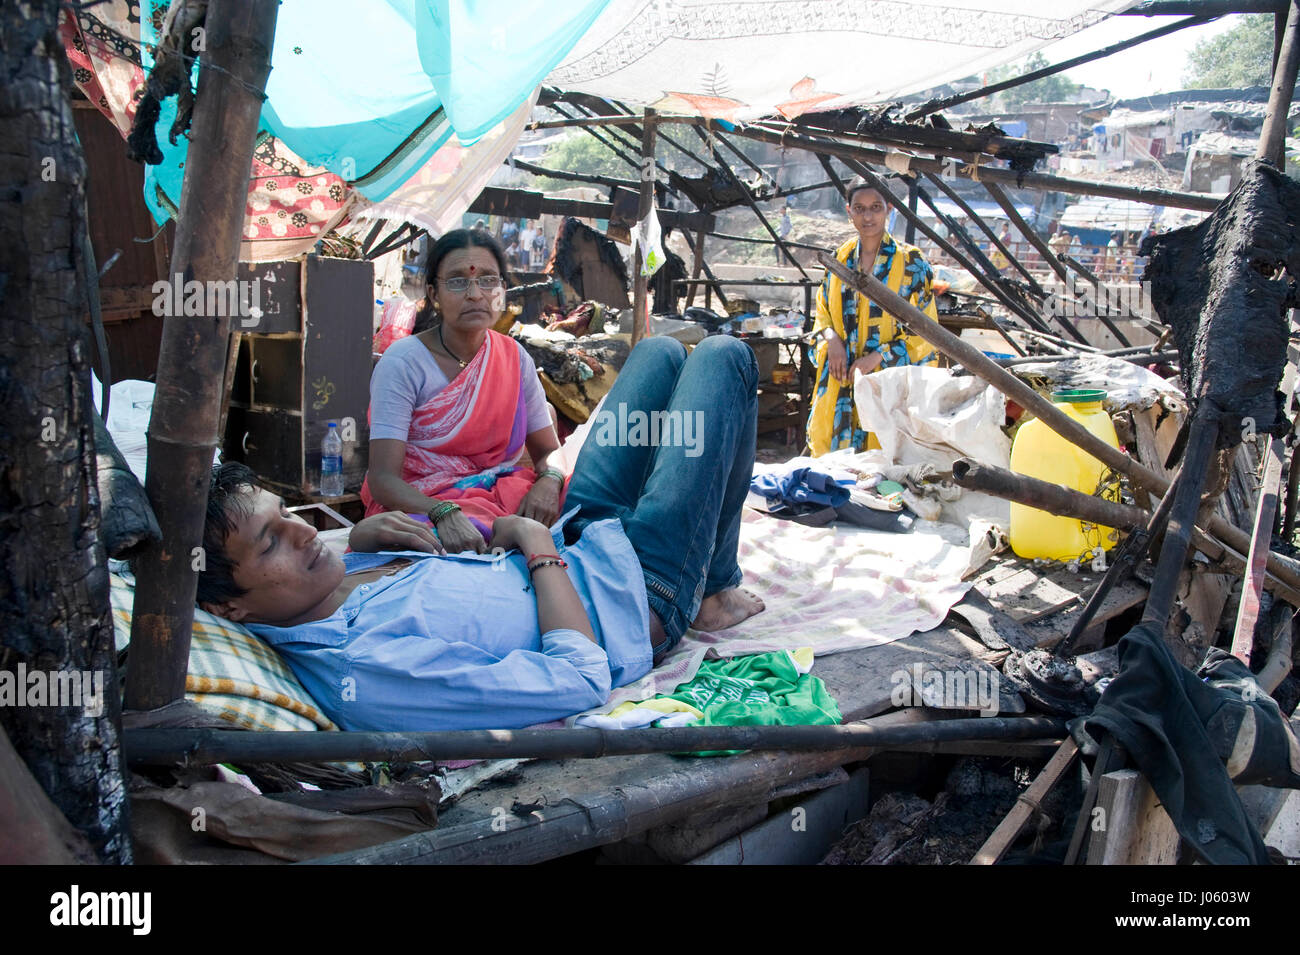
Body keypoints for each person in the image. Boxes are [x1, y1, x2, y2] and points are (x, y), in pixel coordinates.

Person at [195, 336, 765, 731]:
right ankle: (712, 589)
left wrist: (368, 538)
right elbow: (579, 677)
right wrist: (534, 546)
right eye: (270, 541)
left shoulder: (331, 577)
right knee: (724, 358)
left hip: (581, 536)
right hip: (637, 594)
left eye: (286, 514)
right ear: (229, 608)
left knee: (658, 354)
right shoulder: (361, 670)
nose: (302, 534)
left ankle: (710, 580)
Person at [361, 229, 563, 554]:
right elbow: (383, 480)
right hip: (423, 505)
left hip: (500, 490)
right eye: (457, 281)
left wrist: (549, 483)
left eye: (488, 280)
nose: (475, 294)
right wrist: (441, 511)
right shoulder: (403, 363)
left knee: (585, 504)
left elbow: (549, 451)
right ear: (434, 293)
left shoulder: (514, 357)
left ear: (502, 291)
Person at [805, 177, 939, 456]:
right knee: (834, 469)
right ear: (849, 211)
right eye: (860, 208)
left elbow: (927, 332)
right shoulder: (839, 259)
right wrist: (831, 340)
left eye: (875, 207)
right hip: (841, 381)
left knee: (885, 468)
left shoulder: (912, 263)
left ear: (889, 209)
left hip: (887, 385)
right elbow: (823, 311)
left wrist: (877, 357)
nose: (868, 216)